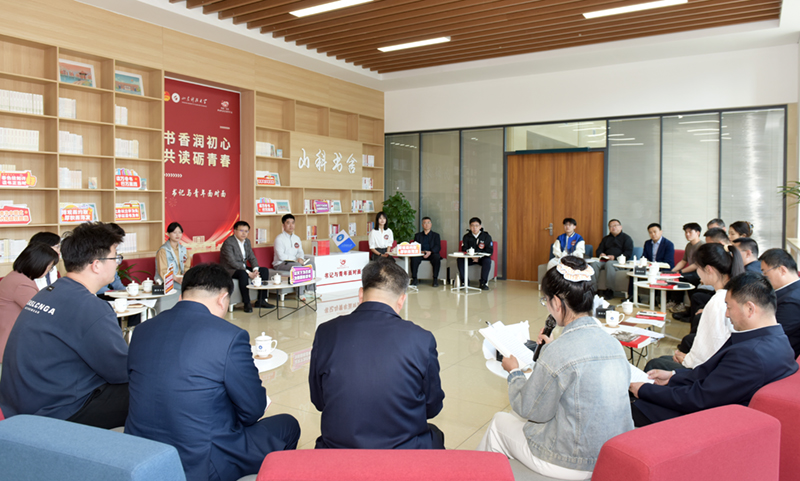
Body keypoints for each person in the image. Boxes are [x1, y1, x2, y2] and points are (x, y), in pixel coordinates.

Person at [126, 263, 300, 481]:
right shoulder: (229, 336)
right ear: (223, 299)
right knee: (288, 425)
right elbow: (253, 411)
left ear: (182, 295)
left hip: (141, 454)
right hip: (199, 462)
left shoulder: (142, 330)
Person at [478, 257, 632, 479]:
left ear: (557, 303)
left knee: (498, 423)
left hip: (573, 461)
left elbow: (530, 409)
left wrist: (514, 373)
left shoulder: (559, 351)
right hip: (611, 454)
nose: (547, 305)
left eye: (546, 300)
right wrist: (551, 351)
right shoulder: (613, 344)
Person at [0, 222, 129, 428]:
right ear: (96, 265)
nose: (117, 264)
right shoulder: (91, 307)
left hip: (19, 402)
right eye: (116, 257)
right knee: (147, 386)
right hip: (57, 410)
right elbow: (121, 371)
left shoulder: (48, 292)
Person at [309, 258, 445, 449]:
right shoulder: (421, 339)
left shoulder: (326, 332)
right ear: (402, 299)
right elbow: (432, 407)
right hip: (404, 451)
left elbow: (319, 401)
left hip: (338, 451)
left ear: (361, 294)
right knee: (435, 434)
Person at [630, 273, 798, 427]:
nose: (727, 314)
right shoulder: (779, 340)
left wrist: (645, 390)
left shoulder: (750, 354)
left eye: (729, 307)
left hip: (709, 421)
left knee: (627, 405)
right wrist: (673, 377)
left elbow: (699, 398)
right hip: (716, 405)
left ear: (750, 308)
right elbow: (709, 374)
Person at [644, 243, 744, 372]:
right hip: (722, 365)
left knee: (653, 365)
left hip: (708, 372)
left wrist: (686, 359)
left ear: (709, 269)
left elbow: (708, 353)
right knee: (662, 360)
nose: (697, 272)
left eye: (698, 267)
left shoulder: (718, 302)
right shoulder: (734, 294)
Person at [0, 243, 59, 362]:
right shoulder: (22, 284)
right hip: (10, 344)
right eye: (49, 267)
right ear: (38, 264)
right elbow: (42, 313)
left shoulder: (16, 276)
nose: (49, 271)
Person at [220, 220, 274, 313]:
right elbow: (231, 262)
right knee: (243, 274)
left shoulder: (247, 242)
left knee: (264, 270)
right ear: (235, 231)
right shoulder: (228, 243)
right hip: (230, 269)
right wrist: (249, 273)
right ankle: (247, 303)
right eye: (241, 230)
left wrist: (255, 270)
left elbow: (252, 257)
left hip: (242, 267)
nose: (244, 233)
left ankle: (261, 300)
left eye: (246, 231)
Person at [760, 248, 800, 358]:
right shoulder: (791, 291)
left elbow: (770, 334)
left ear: (782, 270)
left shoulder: (791, 301)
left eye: (765, 273)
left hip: (779, 357)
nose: (764, 278)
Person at [273, 214, 316, 300]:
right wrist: (296, 260)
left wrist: (301, 258)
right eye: (288, 223)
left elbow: (300, 251)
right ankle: (300, 294)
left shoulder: (297, 238)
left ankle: (311, 291)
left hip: (295, 262)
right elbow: (281, 256)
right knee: (298, 266)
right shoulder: (279, 239)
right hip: (281, 263)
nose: (291, 225)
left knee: (311, 264)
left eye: (293, 223)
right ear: (283, 225)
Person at [590, 219, 633, 299]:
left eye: (615, 225)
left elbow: (628, 253)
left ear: (620, 227)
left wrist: (614, 257)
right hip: (604, 260)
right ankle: (593, 289)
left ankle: (610, 290)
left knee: (609, 264)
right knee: (594, 264)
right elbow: (598, 250)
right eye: (611, 226)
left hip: (618, 262)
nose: (613, 228)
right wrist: (601, 254)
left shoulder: (626, 238)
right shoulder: (606, 239)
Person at [458, 217, 493, 290]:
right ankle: (465, 282)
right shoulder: (466, 237)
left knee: (487, 261)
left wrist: (478, 256)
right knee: (460, 260)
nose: (474, 228)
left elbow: (489, 250)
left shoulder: (486, 236)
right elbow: (464, 249)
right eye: (472, 225)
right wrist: (472, 256)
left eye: (476, 225)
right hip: (470, 258)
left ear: (480, 226)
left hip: (482, 258)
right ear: (470, 226)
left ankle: (483, 283)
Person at [156, 222, 191, 295]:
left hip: (180, 279)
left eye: (180, 232)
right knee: (187, 288)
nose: (177, 235)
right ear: (168, 234)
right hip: (167, 281)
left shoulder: (184, 250)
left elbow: (187, 266)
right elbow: (163, 271)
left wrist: (186, 273)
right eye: (174, 232)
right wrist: (176, 278)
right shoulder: (163, 251)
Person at [410, 216, 441, 287]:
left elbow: (438, 246)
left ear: (431, 224)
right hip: (421, 253)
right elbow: (415, 246)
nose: (427, 224)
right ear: (422, 225)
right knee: (414, 258)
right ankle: (414, 279)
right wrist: (421, 252)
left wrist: (430, 252)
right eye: (425, 223)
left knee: (437, 257)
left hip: (432, 253)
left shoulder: (436, 235)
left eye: (428, 223)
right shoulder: (418, 235)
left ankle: (435, 279)